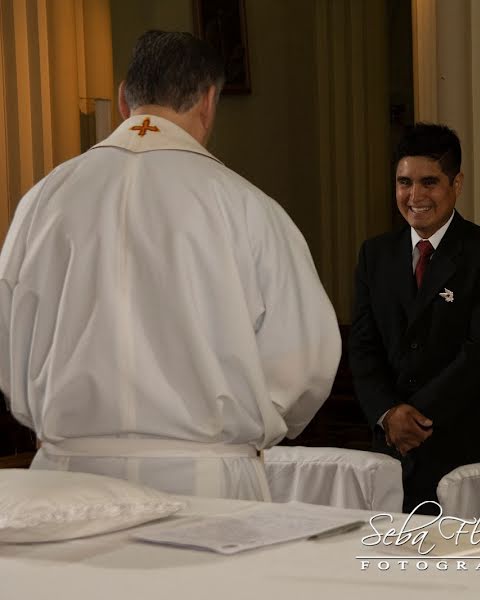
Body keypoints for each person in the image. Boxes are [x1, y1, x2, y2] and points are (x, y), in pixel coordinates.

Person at [0, 31, 341, 501]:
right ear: (208, 102)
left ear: (123, 97)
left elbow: (8, 335)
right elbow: (305, 360)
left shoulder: (43, 200)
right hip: (205, 481)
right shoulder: (246, 206)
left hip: (65, 478)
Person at [349, 123, 480, 513]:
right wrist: (389, 413)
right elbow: (362, 346)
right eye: (404, 182)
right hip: (388, 447)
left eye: (429, 182)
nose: (415, 195)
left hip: (458, 443)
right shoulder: (375, 254)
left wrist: (416, 418)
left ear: (456, 184)